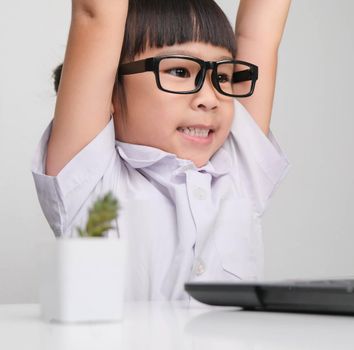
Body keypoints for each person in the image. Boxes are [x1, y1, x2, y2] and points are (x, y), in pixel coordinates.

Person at [30, 0, 291, 302]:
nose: (209, 97)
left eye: (221, 77)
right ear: (110, 88)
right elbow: (96, 16)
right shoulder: (91, 183)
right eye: (180, 70)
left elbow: (259, 33)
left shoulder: (238, 171)